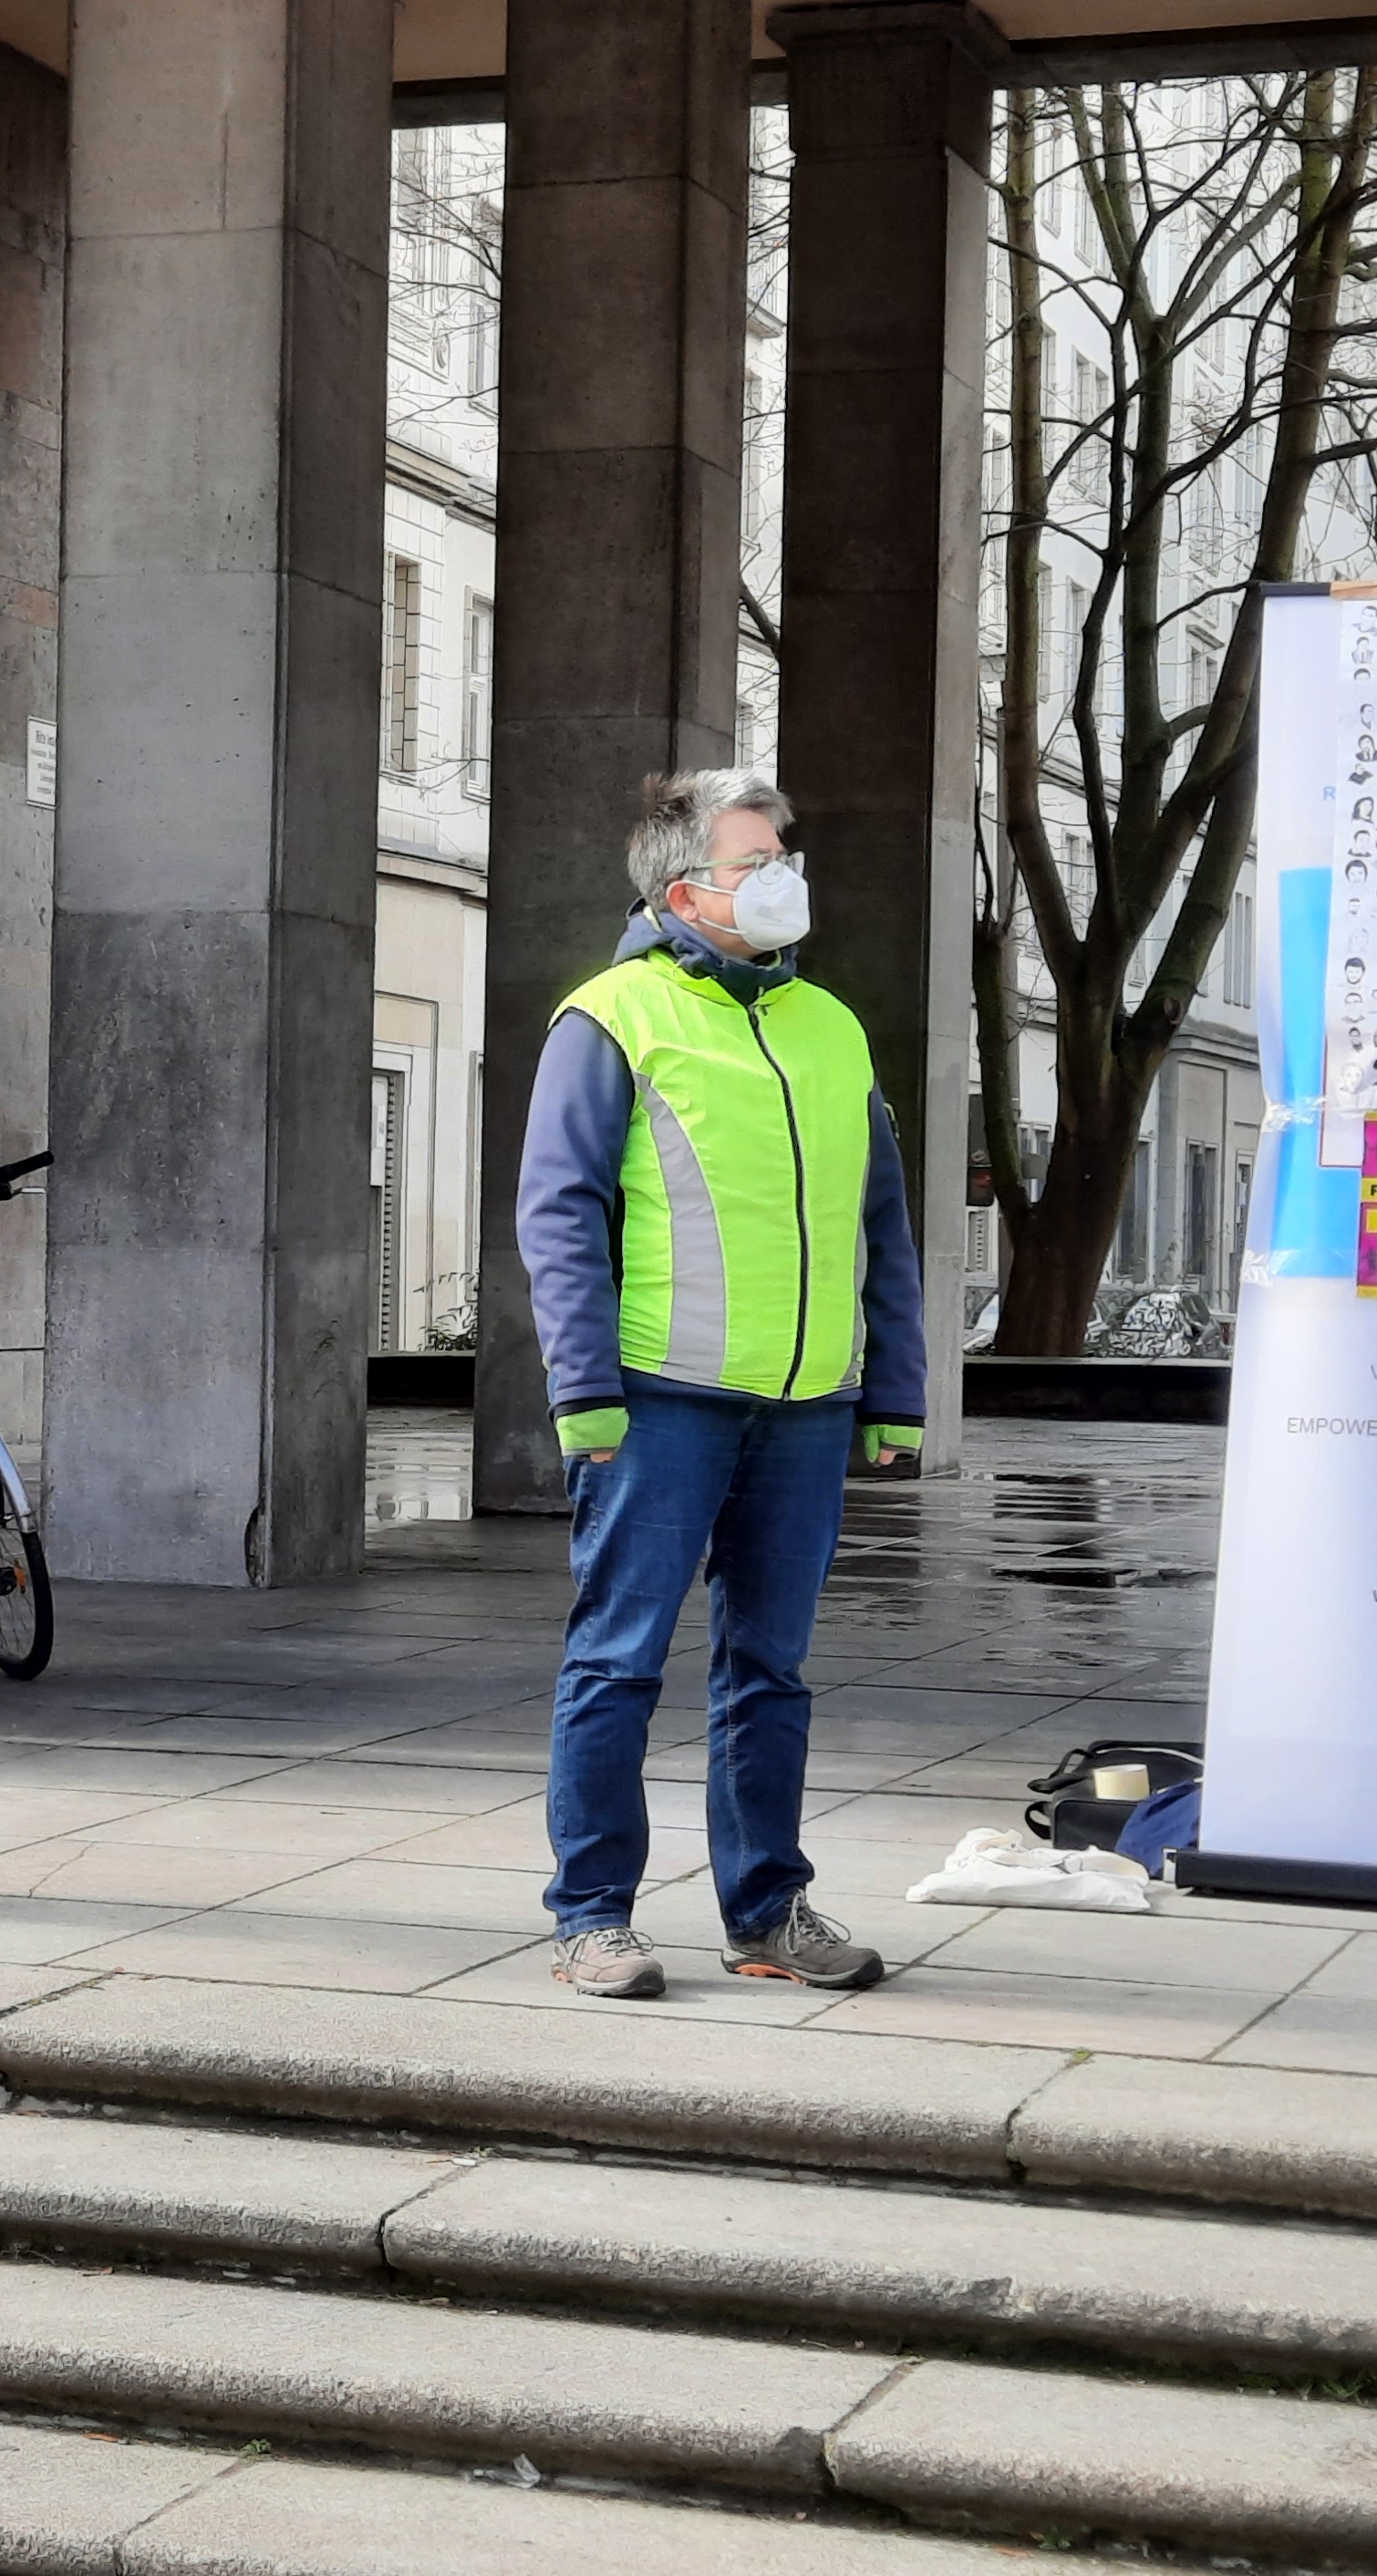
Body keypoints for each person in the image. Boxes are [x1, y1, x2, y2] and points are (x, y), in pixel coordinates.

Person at [517, 771, 923, 2002]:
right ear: (685, 888)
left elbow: (883, 1225)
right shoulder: (613, 1018)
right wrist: (582, 1388)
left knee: (771, 1670)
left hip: (803, 1405)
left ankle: (768, 1912)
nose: (787, 871)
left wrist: (891, 1389)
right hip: (660, 1398)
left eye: (782, 850)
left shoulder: (833, 1028)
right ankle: (592, 1915)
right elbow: (560, 1214)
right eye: (760, 858)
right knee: (619, 1660)